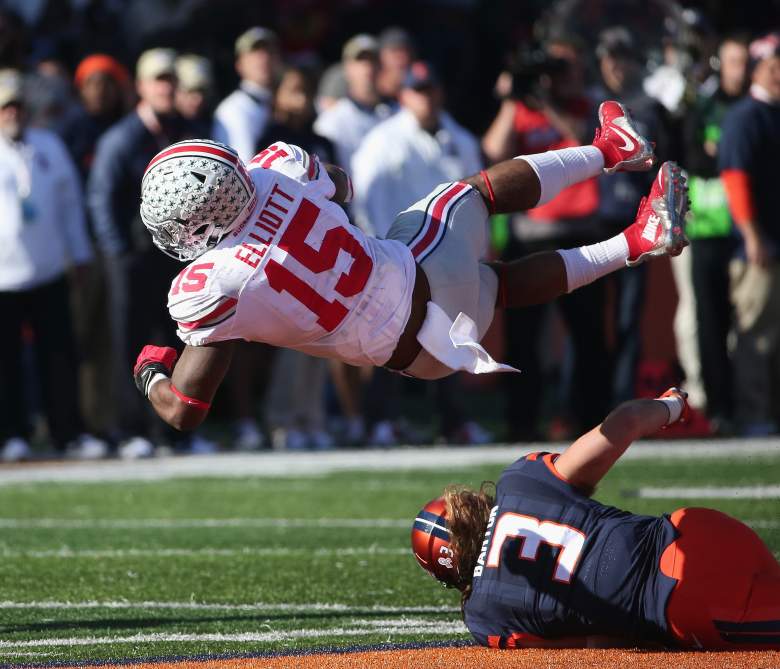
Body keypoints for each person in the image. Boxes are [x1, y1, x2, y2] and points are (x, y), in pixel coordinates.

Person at [132, 101, 688, 434]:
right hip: (424, 269)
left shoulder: (209, 285)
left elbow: (184, 410)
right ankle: (610, 153)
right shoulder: (277, 166)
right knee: (468, 195)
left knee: (496, 287)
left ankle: (638, 239)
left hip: (422, 356)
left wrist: (150, 372)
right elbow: (341, 184)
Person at [410, 388, 780, 650]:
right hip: (694, 530)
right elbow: (627, 420)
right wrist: (673, 407)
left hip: (686, 602)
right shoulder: (520, 478)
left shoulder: (485, 618)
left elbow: (600, 642)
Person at [352, 60, 487, 445]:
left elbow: (474, 195)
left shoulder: (458, 138)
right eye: (417, 90)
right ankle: (379, 421)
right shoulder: (382, 140)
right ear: (403, 94)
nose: (425, 98)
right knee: (390, 338)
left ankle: (452, 421)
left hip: (448, 254)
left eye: (429, 90)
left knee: (455, 337)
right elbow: (367, 199)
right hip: (396, 253)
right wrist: (379, 250)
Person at [88, 47, 203, 458]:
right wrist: (119, 253)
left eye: (171, 79)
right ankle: (129, 428)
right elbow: (101, 197)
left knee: (174, 337)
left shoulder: (184, 131)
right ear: (141, 86)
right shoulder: (123, 138)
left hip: (172, 256)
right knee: (128, 340)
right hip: (132, 257)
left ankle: (170, 429)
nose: (167, 87)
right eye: (159, 79)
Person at [0, 70, 107, 461]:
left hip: (48, 269)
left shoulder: (48, 144)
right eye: (5, 107)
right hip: (3, 276)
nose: (12, 113)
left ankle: (68, 433)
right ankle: (12, 434)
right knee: (6, 363)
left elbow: (70, 206)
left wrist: (78, 254)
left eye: (17, 105)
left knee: (60, 356)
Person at [676, 35, 749, 432]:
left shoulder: (754, 106)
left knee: (752, 324)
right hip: (706, 227)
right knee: (707, 320)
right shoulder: (702, 106)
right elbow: (689, 154)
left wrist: (716, 153)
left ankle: (752, 405)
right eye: (735, 61)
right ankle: (716, 406)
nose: (742, 70)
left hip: (746, 230)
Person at [718, 32, 780, 437]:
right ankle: (753, 412)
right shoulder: (745, 117)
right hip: (759, 246)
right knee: (755, 332)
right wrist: (752, 235)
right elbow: (735, 179)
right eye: (775, 66)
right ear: (759, 69)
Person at [213, 27, 281, 163]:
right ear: (239, 64)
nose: (263, 57)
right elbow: (243, 169)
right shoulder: (232, 110)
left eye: (269, 51)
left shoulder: (284, 102)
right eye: (254, 51)